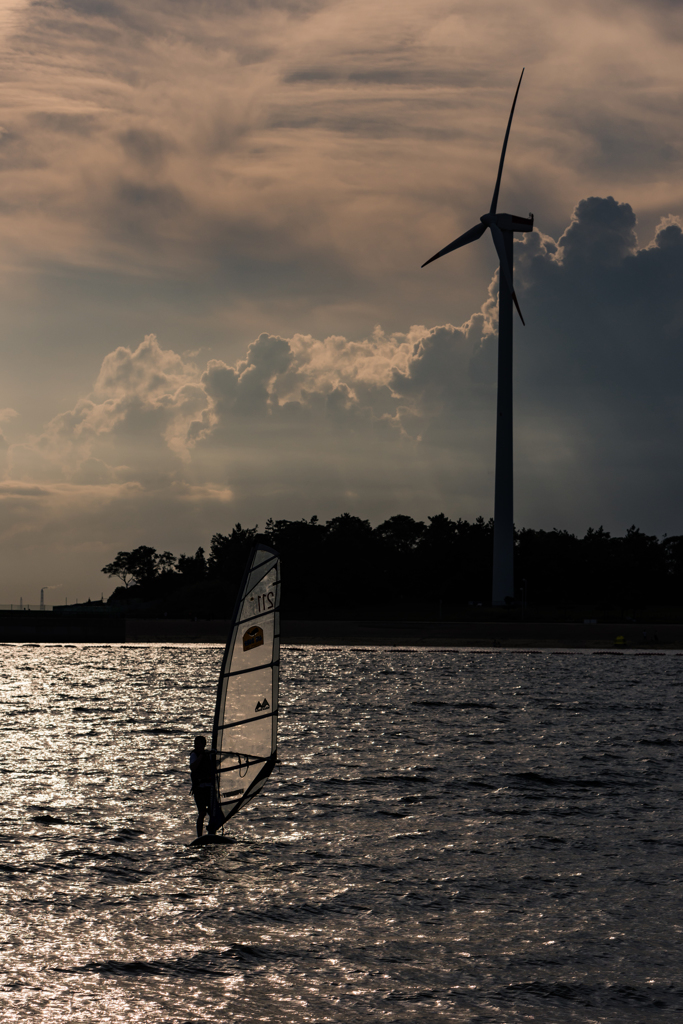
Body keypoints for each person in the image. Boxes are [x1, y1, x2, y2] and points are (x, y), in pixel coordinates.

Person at [190, 734, 215, 837]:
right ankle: (199, 836)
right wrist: (201, 756)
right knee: (202, 812)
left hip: (209, 787)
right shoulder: (194, 755)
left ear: (203, 745)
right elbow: (193, 767)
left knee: (212, 812)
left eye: (198, 744)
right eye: (195, 744)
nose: (196, 746)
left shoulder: (208, 755)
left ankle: (212, 832)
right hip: (199, 788)